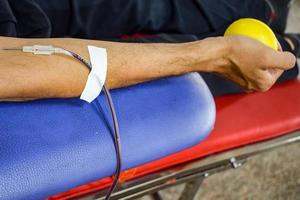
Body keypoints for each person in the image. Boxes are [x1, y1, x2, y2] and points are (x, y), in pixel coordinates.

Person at [0, 0, 298, 100]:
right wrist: (214, 55)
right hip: (20, 69)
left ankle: (265, 11)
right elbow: (18, 69)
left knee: (133, 4)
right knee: (173, 66)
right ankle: (289, 49)